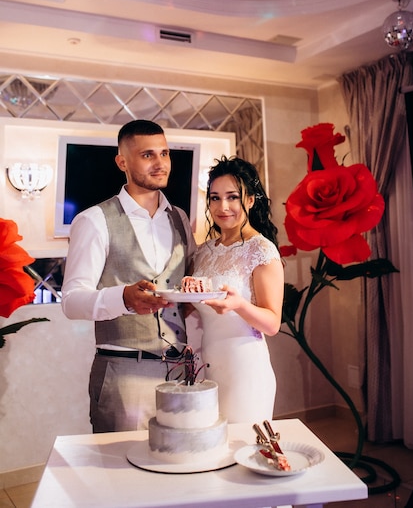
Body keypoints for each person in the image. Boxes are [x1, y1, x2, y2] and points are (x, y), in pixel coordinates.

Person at [61, 119, 196, 433]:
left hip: (180, 368)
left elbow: (185, 285)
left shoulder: (180, 218)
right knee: (122, 474)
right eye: (148, 155)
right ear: (122, 161)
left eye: (164, 153)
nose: (160, 163)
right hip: (124, 371)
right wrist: (122, 297)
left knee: (177, 464)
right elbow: (71, 301)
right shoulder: (94, 220)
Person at [191, 155, 284, 423]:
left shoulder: (261, 250)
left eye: (233, 197)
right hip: (208, 366)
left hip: (245, 370)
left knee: (242, 451)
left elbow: (272, 323)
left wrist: (239, 304)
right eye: (215, 197)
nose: (223, 206)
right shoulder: (204, 251)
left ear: (251, 200)